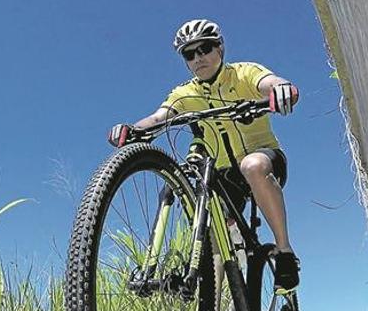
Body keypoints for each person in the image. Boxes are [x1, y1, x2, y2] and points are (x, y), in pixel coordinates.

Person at [108, 19, 301, 293]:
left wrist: (282, 89)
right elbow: (159, 117)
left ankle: (284, 251)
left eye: (205, 48)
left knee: (252, 165)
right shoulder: (185, 94)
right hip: (222, 177)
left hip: (263, 158)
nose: (198, 58)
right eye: (189, 53)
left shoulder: (243, 73)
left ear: (220, 49)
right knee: (215, 236)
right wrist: (132, 130)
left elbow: (270, 82)